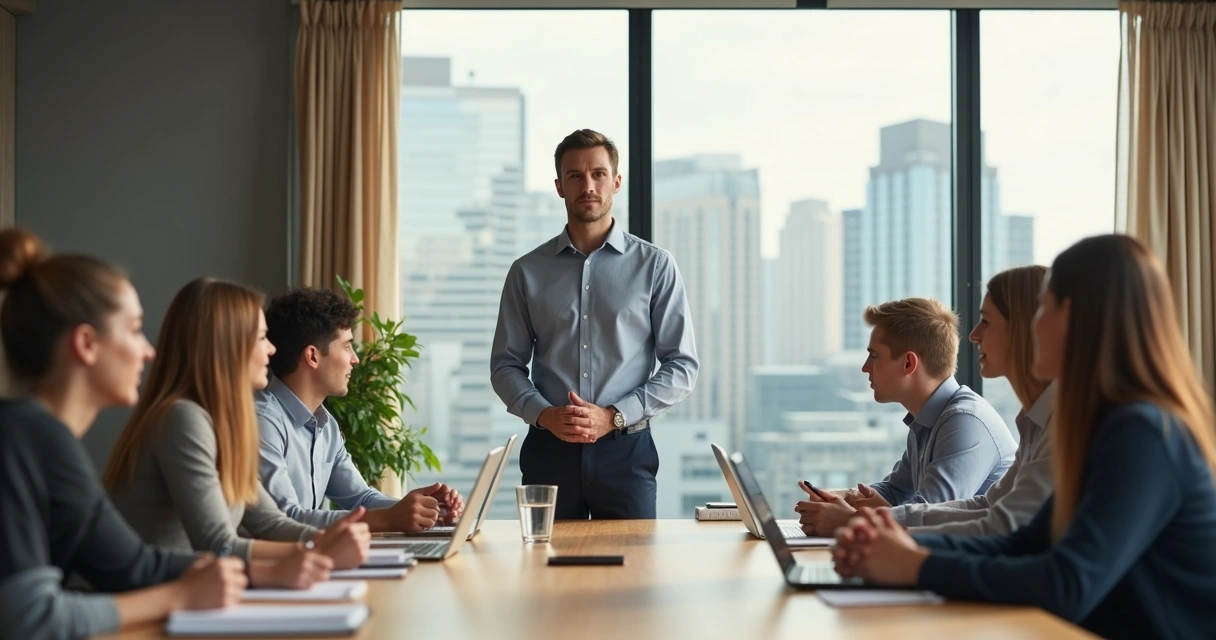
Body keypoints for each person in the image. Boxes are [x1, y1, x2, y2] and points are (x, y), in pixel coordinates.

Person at [833, 235, 1216, 639]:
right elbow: (1023, 543)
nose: (1034, 325)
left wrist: (915, 564)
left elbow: (1066, 583)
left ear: (1071, 317)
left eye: (1043, 309)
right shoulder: (1107, 425)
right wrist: (902, 549)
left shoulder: (1143, 432)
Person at [0, 229, 245, 640]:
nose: (147, 350)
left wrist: (248, 572)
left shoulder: (46, 438)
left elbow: (134, 566)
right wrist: (179, 597)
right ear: (87, 343)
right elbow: (31, 619)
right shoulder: (23, 438)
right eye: (134, 329)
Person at [104, 278, 368, 589]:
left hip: (195, 600)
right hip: (152, 610)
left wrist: (327, 539)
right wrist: (318, 548)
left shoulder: (225, 424)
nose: (271, 349)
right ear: (226, 346)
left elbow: (268, 522)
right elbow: (217, 543)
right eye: (261, 338)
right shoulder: (183, 418)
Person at [491, 129, 699, 519]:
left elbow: (682, 367)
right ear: (559, 186)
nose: (588, 185)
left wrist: (614, 416)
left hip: (626, 454)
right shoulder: (526, 271)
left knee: (633, 573)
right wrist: (543, 413)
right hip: (547, 452)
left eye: (599, 174)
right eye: (575, 176)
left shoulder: (655, 266)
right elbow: (505, 365)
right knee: (544, 569)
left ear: (616, 181)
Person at [797, 297, 1015, 536]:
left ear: (909, 363)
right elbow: (894, 491)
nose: (865, 367)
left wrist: (849, 520)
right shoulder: (928, 418)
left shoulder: (965, 421)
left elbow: (930, 516)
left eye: (874, 355)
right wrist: (843, 497)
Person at [255, 286, 463, 531]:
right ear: (312, 356)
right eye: (347, 347)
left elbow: (361, 499)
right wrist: (390, 518)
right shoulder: (263, 422)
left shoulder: (325, 425)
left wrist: (423, 511)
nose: (355, 359)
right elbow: (285, 519)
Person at [891, 266, 1057, 535]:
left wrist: (874, 526)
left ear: (1025, 327)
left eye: (986, 321)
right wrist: (875, 521)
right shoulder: (1035, 422)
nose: (973, 335)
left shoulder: (965, 419)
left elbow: (1002, 525)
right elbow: (991, 505)